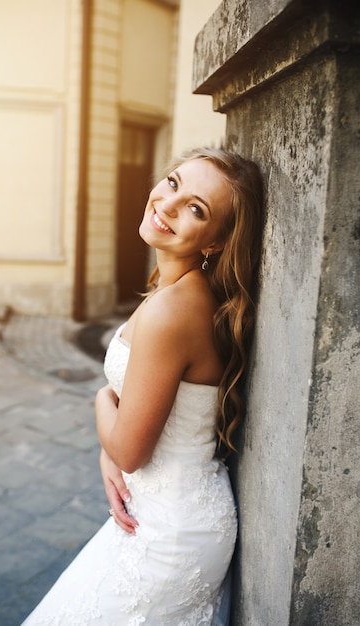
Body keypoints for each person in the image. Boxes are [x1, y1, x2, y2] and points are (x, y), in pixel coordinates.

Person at [21, 147, 264, 625]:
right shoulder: (180, 289)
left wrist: (100, 401)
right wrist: (108, 452)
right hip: (160, 511)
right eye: (173, 183)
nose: (168, 205)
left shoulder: (173, 310)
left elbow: (132, 450)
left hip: (167, 535)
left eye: (197, 209)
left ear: (215, 242)